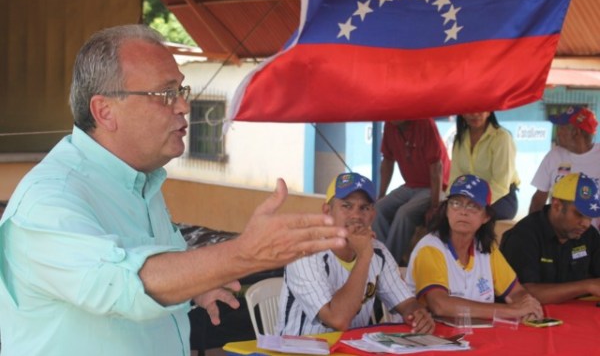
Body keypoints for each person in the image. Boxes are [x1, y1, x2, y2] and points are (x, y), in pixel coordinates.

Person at [0, 24, 348, 356]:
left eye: (180, 91)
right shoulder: (50, 199)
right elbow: (122, 283)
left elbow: (160, 270)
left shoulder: (141, 184)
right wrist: (245, 253)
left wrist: (195, 285)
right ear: (104, 111)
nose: (183, 106)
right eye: (165, 94)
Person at [277, 172, 434, 336]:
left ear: (373, 215)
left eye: (364, 208)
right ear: (327, 211)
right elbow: (338, 320)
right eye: (346, 206)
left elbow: (406, 303)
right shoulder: (305, 252)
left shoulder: (378, 252)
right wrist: (364, 256)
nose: (357, 215)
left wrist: (417, 315)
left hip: (350, 349)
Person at [405, 174, 543, 322]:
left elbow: (516, 292)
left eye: (472, 206)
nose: (463, 211)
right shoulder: (430, 247)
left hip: (475, 335)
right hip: (432, 338)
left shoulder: (486, 248)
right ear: (446, 210)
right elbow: (440, 305)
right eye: (456, 203)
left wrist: (527, 305)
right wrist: (511, 310)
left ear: (486, 217)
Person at [501, 172, 600, 304]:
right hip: (531, 320)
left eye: (590, 217)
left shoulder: (589, 235)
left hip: (579, 317)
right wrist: (586, 286)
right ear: (556, 205)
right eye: (579, 214)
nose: (586, 223)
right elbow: (522, 293)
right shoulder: (523, 236)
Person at [372, 119, 450, 265]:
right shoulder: (390, 125)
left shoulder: (425, 123)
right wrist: (381, 195)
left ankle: (387, 265)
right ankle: (381, 257)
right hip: (410, 186)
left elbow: (436, 167)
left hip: (434, 187)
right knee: (377, 208)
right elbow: (387, 161)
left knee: (404, 213)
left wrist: (435, 206)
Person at [528, 106, 600, 216]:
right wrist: (531, 228)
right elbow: (539, 197)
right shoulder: (554, 156)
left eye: (561, 128)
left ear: (576, 132)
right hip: (558, 231)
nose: (557, 133)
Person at [449, 112, 519, 220]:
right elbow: (455, 178)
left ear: (489, 111)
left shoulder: (501, 137)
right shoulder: (460, 139)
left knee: (469, 216)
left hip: (501, 199)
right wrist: (449, 202)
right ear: (463, 113)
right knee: (442, 215)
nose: (475, 114)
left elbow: (501, 184)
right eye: (471, 110)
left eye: (481, 109)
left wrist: (475, 203)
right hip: (467, 198)